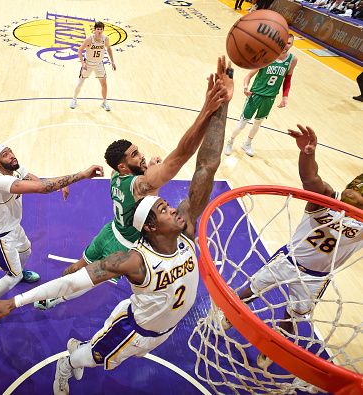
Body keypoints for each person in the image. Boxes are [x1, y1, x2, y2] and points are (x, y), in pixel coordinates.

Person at [0, 56, 234, 395]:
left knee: (77, 270)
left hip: (111, 232)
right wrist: (14, 303)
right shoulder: (135, 255)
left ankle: (59, 320)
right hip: (134, 315)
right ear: (151, 228)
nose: (173, 207)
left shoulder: (137, 192)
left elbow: (207, 166)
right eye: (163, 207)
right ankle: (68, 364)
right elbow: (178, 161)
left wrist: (221, 105)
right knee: (87, 325)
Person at [34, 65, 231, 311]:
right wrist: (207, 111)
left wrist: (147, 167)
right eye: (135, 155)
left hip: (110, 230)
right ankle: (60, 298)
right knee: (89, 280)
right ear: (123, 166)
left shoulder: (118, 175)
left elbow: (142, 179)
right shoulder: (141, 183)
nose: (142, 157)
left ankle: (50, 296)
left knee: (77, 268)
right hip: (125, 244)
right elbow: (181, 155)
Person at [222, 125, 363, 369]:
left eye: (359, 191)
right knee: (251, 289)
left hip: (317, 278)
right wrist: (307, 154)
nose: (352, 190)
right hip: (288, 260)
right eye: (353, 184)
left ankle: (272, 349)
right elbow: (311, 178)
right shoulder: (327, 196)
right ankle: (230, 316)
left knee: (293, 316)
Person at [0, 144, 104, 322]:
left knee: (26, 251)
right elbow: (40, 189)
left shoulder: (13, 168)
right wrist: (81, 176)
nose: (11, 156)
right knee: (12, 276)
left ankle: (19, 274)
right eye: (5, 155)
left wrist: (55, 186)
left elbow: (34, 180)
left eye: (10, 151)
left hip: (13, 227)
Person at [224, 34, 298, 157]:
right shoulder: (267, 57)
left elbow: (288, 80)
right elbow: (248, 76)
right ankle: (230, 141)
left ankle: (247, 144)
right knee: (243, 123)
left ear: (292, 44)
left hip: (270, 97)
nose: (286, 45)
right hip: (256, 95)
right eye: (284, 42)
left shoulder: (292, 60)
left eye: (289, 43)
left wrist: (285, 96)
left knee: (258, 123)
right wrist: (246, 88)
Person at [69, 21, 116, 111]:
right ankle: (74, 99)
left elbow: (109, 49)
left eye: (101, 29)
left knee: (104, 84)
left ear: (103, 30)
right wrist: (83, 63)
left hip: (99, 64)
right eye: (98, 29)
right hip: (88, 64)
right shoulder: (89, 39)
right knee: (80, 83)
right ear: (95, 30)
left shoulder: (105, 39)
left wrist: (112, 61)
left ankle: (104, 102)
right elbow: (79, 50)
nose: (99, 31)